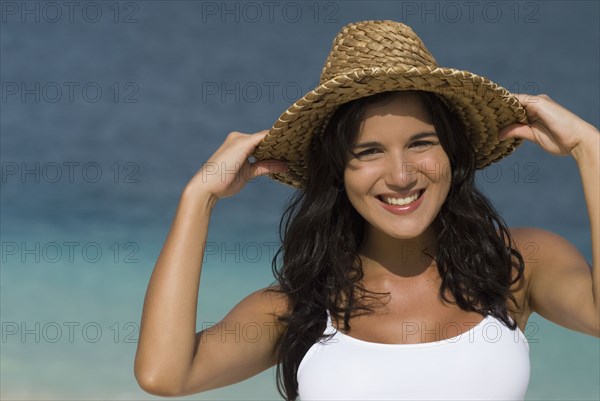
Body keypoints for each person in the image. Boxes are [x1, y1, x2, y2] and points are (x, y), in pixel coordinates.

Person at [134, 20, 599, 400]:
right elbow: (165, 374)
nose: (400, 176)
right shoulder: (302, 307)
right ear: (337, 172)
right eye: (368, 152)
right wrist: (199, 198)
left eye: (421, 144)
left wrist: (589, 148)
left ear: (452, 153)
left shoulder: (515, 264)